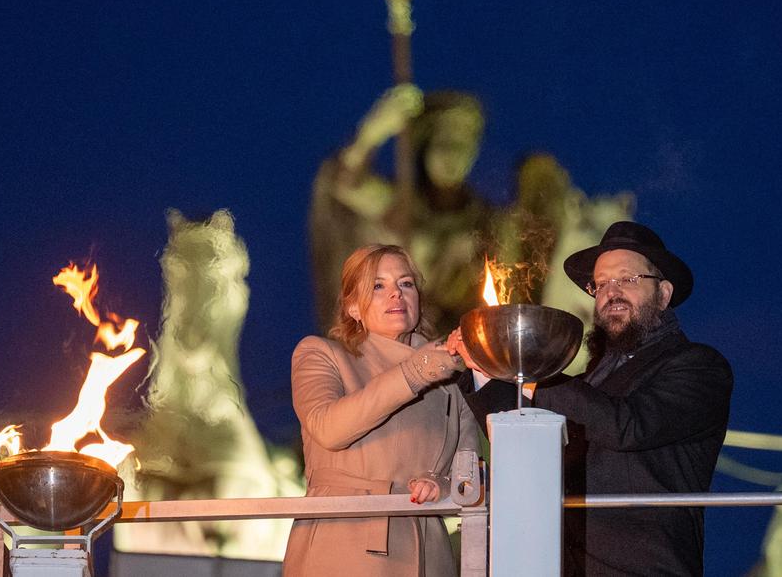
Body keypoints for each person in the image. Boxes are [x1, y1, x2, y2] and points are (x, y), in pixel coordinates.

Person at [449, 221, 733, 576]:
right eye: (600, 284)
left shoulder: (698, 367)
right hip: (560, 564)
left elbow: (628, 425)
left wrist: (533, 369)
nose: (611, 292)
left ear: (663, 294)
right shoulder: (591, 380)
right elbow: (516, 431)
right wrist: (483, 366)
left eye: (627, 279)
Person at [284, 244, 476, 577]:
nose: (395, 295)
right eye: (378, 285)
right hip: (343, 543)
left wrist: (441, 484)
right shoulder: (321, 354)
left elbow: (470, 471)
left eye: (405, 284)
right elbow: (329, 428)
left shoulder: (452, 379)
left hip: (429, 552)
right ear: (353, 307)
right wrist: (420, 369)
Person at [309, 84, 490, 335]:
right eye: (444, 143)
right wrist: (372, 132)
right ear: (425, 146)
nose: (453, 156)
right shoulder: (398, 206)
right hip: (393, 351)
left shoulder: (486, 222)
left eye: (463, 145)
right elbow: (345, 183)